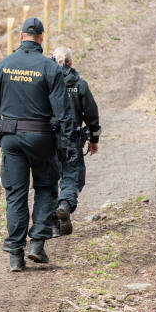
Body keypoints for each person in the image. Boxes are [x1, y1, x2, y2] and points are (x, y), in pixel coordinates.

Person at [0, 17, 75, 272]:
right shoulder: (50, 68)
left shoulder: (3, 66)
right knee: (46, 188)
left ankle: (15, 254)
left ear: (21, 36)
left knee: (15, 195)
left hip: (11, 139)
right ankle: (36, 243)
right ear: (42, 38)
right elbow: (62, 111)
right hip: (42, 138)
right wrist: (65, 143)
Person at [50, 46, 101, 237]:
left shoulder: (44, 84)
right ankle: (64, 204)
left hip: (46, 140)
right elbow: (92, 115)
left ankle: (53, 226)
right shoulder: (79, 85)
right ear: (71, 63)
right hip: (71, 140)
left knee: (48, 181)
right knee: (72, 177)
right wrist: (94, 139)